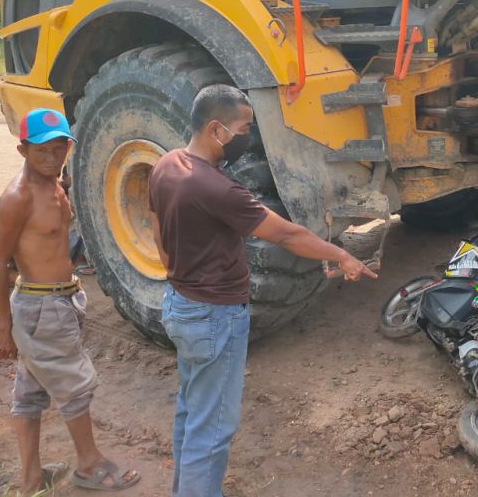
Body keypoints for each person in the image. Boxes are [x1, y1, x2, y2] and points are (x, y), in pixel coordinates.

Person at [149, 85, 377, 497]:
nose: (248, 137)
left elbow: (158, 233)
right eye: (244, 128)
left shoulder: (166, 165)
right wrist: (341, 256)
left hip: (180, 305)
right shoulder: (217, 189)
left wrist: (181, 274)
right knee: (213, 431)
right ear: (217, 129)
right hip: (214, 316)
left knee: (192, 414)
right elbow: (286, 234)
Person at [0, 108, 139, 494]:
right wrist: (4, 327)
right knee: (75, 385)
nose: (53, 156)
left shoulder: (54, 185)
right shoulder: (17, 197)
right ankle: (89, 465)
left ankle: (31, 478)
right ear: (22, 150)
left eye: (60, 147)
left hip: (57, 303)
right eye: (42, 150)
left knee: (31, 391)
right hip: (42, 307)